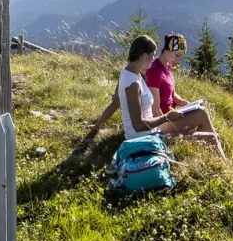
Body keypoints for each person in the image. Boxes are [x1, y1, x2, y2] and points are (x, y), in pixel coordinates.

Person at [76, 33, 225, 159]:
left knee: (203, 121)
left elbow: (115, 103)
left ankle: (214, 161)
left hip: (151, 132)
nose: (153, 59)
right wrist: (167, 117)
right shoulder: (133, 83)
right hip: (146, 138)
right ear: (144, 55)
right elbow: (138, 125)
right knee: (212, 137)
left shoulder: (129, 73)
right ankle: (224, 168)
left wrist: (96, 127)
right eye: (152, 55)